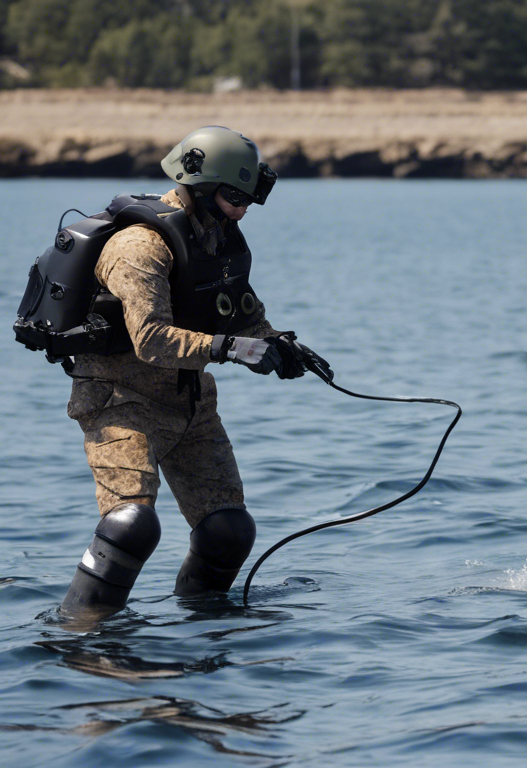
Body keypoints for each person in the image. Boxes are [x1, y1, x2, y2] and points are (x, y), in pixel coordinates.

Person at [54, 126, 328, 620]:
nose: (242, 210)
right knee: (131, 525)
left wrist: (281, 346)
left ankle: (205, 633)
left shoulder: (218, 239)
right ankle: (83, 634)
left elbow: (244, 315)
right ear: (197, 186)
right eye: (232, 197)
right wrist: (231, 349)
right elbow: (152, 339)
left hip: (191, 404)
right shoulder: (139, 248)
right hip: (122, 402)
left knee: (229, 531)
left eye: (251, 197)